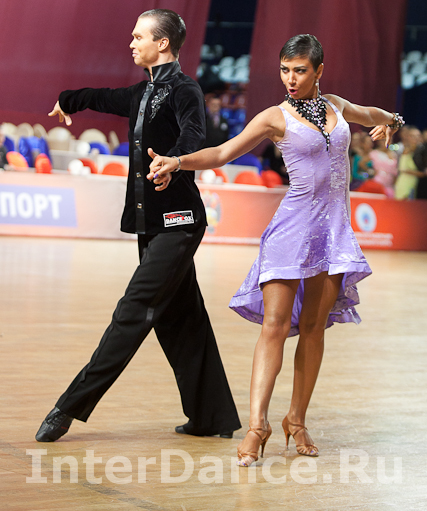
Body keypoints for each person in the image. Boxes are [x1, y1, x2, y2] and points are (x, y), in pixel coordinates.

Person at [147, 34, 404, 466]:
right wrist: (178, 161)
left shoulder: (337, 106)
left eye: (300, 70)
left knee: (314, 329)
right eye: (285, 70)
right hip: (291, 232)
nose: (291, 79)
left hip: (334, 234)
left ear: (319, 71)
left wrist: (391, 121)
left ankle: (296, 421)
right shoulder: (274, 117)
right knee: (274, 327)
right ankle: (257, 426)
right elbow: (223, 152)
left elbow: (373, 114)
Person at [35, 9, 241, 442]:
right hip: (152, 224)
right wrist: (68, 99)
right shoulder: (141, 91)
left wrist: (175, 161)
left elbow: (194, 135)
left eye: (138, 37)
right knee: (181, 319)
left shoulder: (185, 90)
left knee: (133, 311)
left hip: (179, 222)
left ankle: (68, 407)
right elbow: (101, 96)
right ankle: (211, 417)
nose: (131, 43)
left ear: (162, 43)